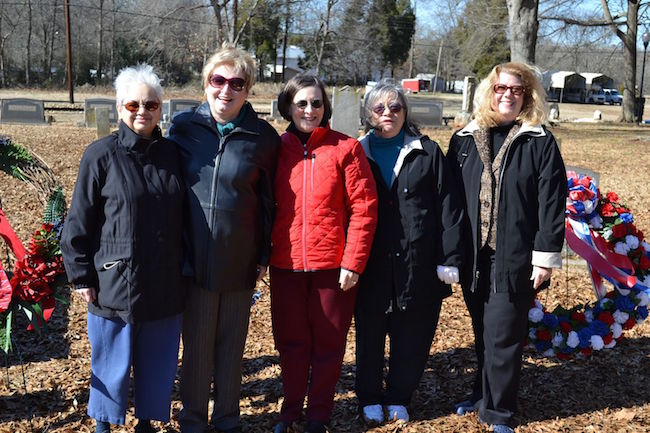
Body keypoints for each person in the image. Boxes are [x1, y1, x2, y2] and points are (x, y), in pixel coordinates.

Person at [61, 64, 185, 433]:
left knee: (156, 361)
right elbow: (78, 221)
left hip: (164, 280)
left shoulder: (172, 155)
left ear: (161, 109)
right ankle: (103, 424)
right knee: (111, 364)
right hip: (113, 281)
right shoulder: (100, 155)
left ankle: (146, 423)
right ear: (119, 107)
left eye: (151, 104)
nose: (142, 112)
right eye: (133, 104)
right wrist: (80, 273)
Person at [446, 62, 567, 433]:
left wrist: (545, 257)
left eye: (516, 90)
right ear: (489, 91)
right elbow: (449, 201)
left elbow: (552, 201)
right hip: (473, 257)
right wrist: (449, 253)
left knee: (503, 334)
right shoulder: (464, 139)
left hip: (514, 256)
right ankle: (481, 394)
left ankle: (499, 411)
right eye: (501, 88)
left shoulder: (539, 141)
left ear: (527, 96)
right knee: (483, 331)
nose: (507, 95)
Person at [167, 44, 280, 433]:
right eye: (218, 80)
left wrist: (263, 255)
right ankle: (194, 421)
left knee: (231, 349)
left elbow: (269, 203)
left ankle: (228, 420)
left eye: (237, 82)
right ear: (206, 83)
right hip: (193, 258)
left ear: (248, 89)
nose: (225, 90)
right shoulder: (182, 129)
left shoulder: (263, 137)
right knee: (196, 349)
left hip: (240, 259)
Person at [270, 74, 378, 433]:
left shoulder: (346, 149)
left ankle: (318, 414)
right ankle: (289, 411)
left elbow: (364, 208)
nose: (309, 110)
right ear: (288, 106)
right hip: (285, 265)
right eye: (301, 103)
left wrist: (353, 261)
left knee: (329, 346)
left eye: (316, 103)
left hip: (333, 267)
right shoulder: (276, 149)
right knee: (291, 344)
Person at [354, 80, 465, 425]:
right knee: (370, 335)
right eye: (379, 108)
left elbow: (450, 207)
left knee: (412, 336)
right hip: (370, 264)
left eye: (395, 107)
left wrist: (449, 258)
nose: (388, 113)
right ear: (369, 114)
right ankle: (370, 397)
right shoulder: (356, 151)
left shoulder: (428, 151)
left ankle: (400, 395)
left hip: (417, 263)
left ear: (405, 112)